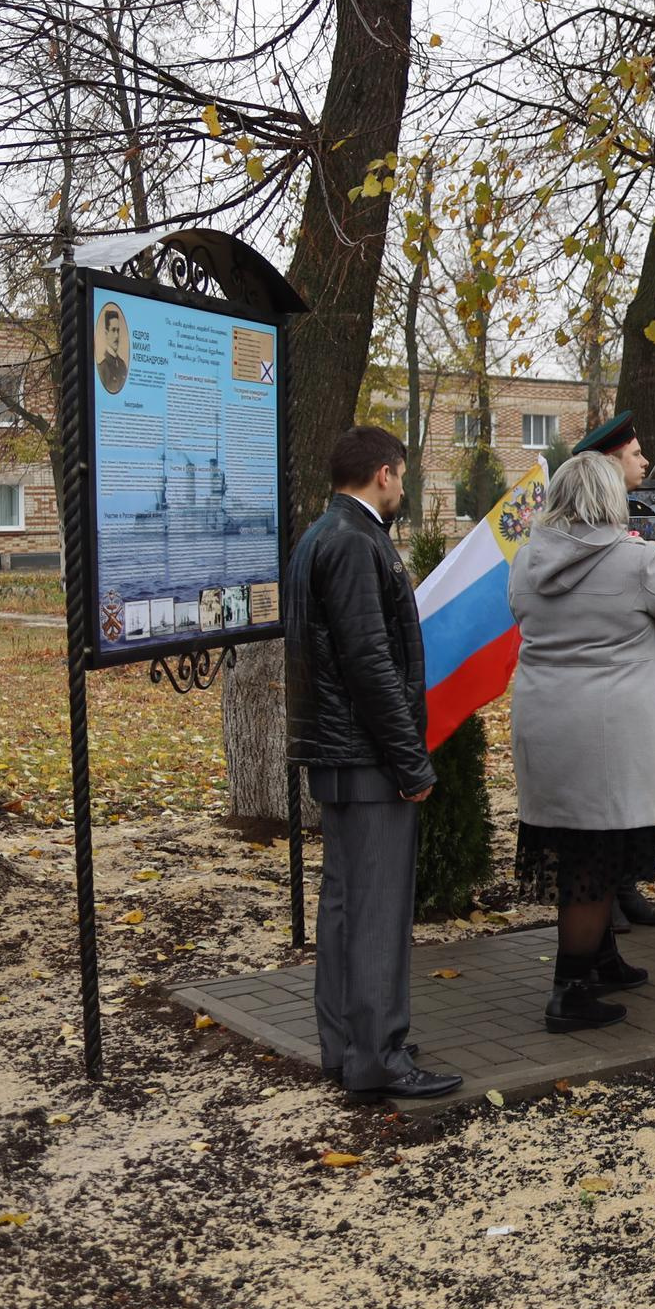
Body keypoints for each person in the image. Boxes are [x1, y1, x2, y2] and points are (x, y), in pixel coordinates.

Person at [506, 451, 655, 1033]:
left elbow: (522, 614)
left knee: (580, 843)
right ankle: (569, 991)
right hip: (611, 728)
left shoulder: (527, 559)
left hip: (546, 720)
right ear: (607, 498)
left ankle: (600, 959)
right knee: (594, 857)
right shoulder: (637, 560)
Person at [284, 425, 459, 1100]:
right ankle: (380, 1053)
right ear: (383, 473)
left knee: (346, 904)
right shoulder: (356, 542)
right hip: (365, 754)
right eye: (403, 476)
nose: (404, 489)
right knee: (377, 906)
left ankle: (349, 1044)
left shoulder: (319, 535)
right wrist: (411, 762)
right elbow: (370, 665)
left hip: (338, 751)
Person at [564, 409, 655, 929]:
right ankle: (606, 896)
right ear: (609, 464)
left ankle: (628, 882)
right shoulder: (583, 525)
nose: (644, 460)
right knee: (612, 797)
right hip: (606, 683)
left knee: (641, 793)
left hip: (641, 673)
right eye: (634, 454)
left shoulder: (645, 512)